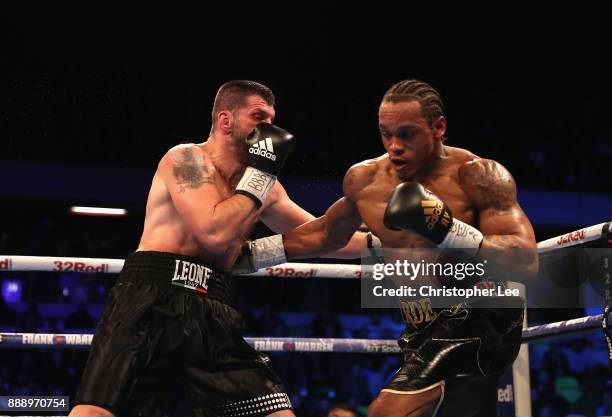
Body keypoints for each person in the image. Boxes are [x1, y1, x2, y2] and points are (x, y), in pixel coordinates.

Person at [69, 80, 368, 417]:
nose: (268, 128)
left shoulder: (266, 186)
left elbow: (324, 235)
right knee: (98, 412)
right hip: (151, 296)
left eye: (272, 119)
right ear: (226, 120)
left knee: (276, 413)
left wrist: (393, 242)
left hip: (213, 306)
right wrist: (261, 175)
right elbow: (214, 233)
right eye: (258, 117)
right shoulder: (186, 159)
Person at [271, 79, 538, 416]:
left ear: (438, 127)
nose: (394, 145)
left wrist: (447, 230)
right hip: (421, 326)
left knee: (387, 411)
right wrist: (251, 252)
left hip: (483, 315)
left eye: (407, 134)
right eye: (386, 133)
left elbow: (525, 261)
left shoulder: (479, 175)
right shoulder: (366, 180)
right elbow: (326, 233)